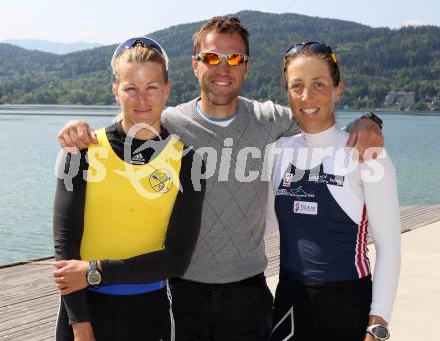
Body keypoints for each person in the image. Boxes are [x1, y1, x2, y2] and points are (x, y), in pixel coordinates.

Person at [56, 17, 384, 341]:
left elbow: (317, 118)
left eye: (235, 59)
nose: (223, 68)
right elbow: (125, 122)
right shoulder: (168, 121)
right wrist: (77, 128)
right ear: (196, 65)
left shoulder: (270, 119)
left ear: (247, 66)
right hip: (181, 293)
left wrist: (367, 121)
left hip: (248, 295)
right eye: (212, 57)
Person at [53, 37, 205, 341]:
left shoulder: (189, 162)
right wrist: (80, 325)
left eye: (151, 87)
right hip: (83, 313)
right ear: (115, 91)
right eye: (130, 89)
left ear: (167, 90)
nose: (142, 99)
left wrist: (94, 272)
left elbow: (176, 259)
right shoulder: (81, 150)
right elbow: (65, 246)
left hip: (148, 315)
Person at [268, 42, 401, 341]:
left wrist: (378, 324)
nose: (307, 96)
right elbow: (266, 225)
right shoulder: (276, 153)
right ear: (287, 92)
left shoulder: (368, 153)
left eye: (319, 84)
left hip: (348, 305)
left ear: (338, 89)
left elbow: (389, 247)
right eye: (297, 85)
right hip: (289, 303)